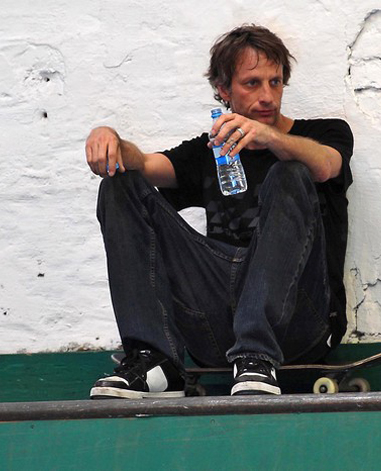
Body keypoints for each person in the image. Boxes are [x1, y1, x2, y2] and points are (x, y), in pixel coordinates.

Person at [85, 24, 353, 398]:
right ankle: (154, 360)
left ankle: (258, 353)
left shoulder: (325, 133)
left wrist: (269, 137)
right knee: (120, 183)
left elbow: (324, 166)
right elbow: (143, 164)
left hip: (299, 322)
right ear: (224, 90)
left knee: (291, 172)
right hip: (217, 328)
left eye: (275, 82)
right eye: (252, 83)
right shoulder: (211, 150)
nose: (267, 96)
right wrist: (110, 137)